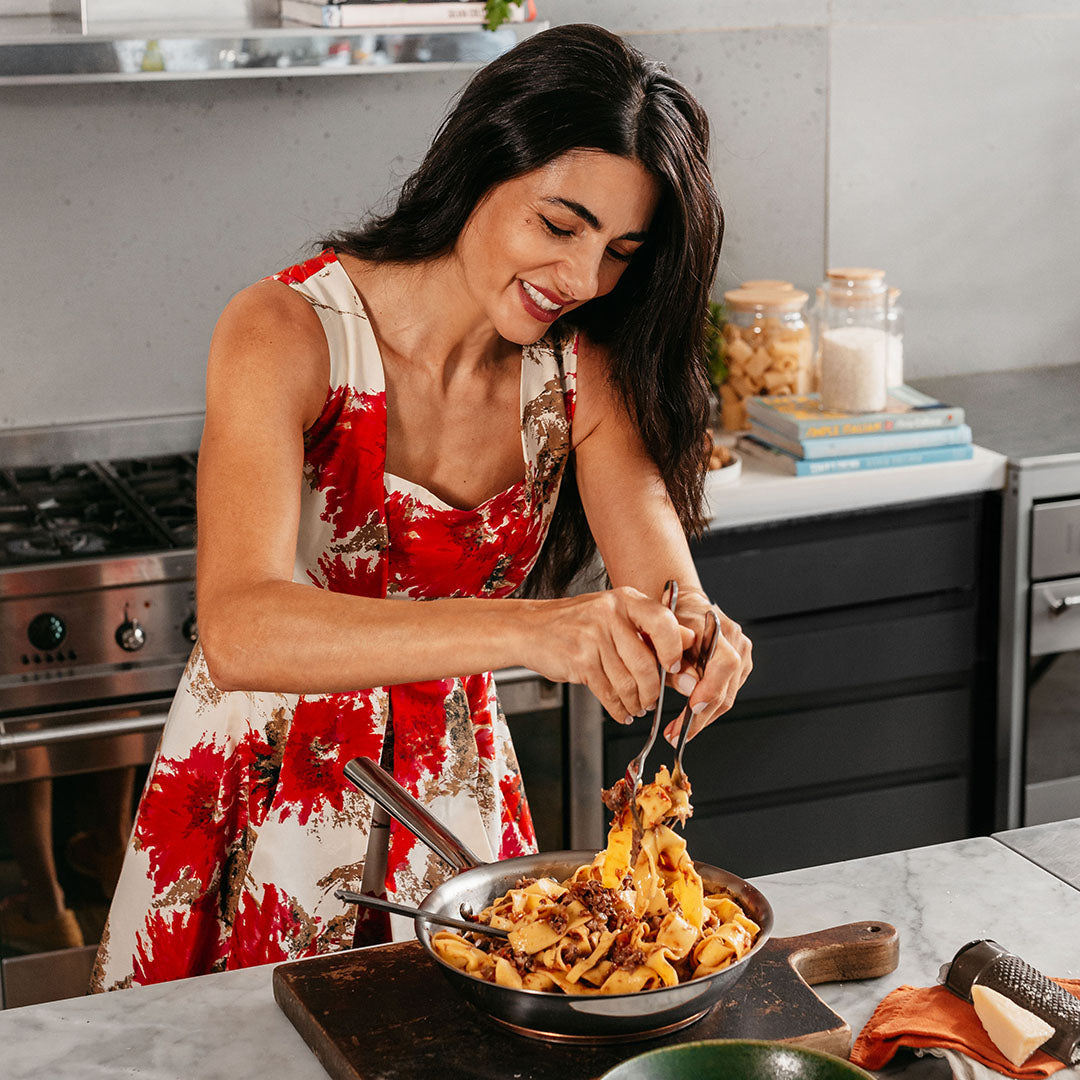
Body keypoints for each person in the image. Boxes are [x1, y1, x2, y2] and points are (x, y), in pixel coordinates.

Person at [91, 22, 752, 992]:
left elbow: (661, 581)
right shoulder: (285, 330)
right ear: (481, 164)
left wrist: (694, 636)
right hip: (256, 794)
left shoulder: (582, 370)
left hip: (451, 799)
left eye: (620, 251)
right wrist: (538, 631)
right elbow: (239, 628)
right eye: (558, 225)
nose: (581, 279)